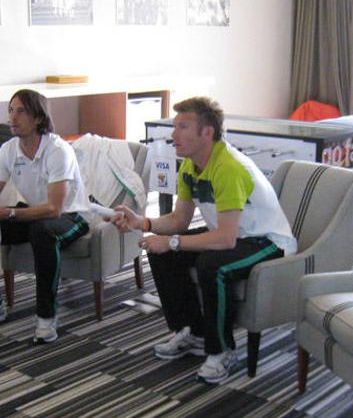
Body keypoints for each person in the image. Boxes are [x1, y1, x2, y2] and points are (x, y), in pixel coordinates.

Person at [112, 96, 297, 384]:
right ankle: (192, 332)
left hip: (268, 241)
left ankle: (221, 350)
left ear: (207, 132)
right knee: (161, 251)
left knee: (212, 265)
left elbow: (225, 239)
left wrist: (173, 241)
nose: (173, 135)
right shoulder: (190, 165)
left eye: (183, 127)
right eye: (174, 127)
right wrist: (143, 223)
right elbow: (179, 220)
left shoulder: (229, 168)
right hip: (234, 235)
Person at [0, 89, 90, 343]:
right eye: (11, 111)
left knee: (43, 231)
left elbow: (54, 209)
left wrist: (7, 213)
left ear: (38, 118)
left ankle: (46, 316)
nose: (13, 117)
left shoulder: (58, 150)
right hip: (33, 214)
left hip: (70, 216)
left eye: (21, 111)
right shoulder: (9, 150)